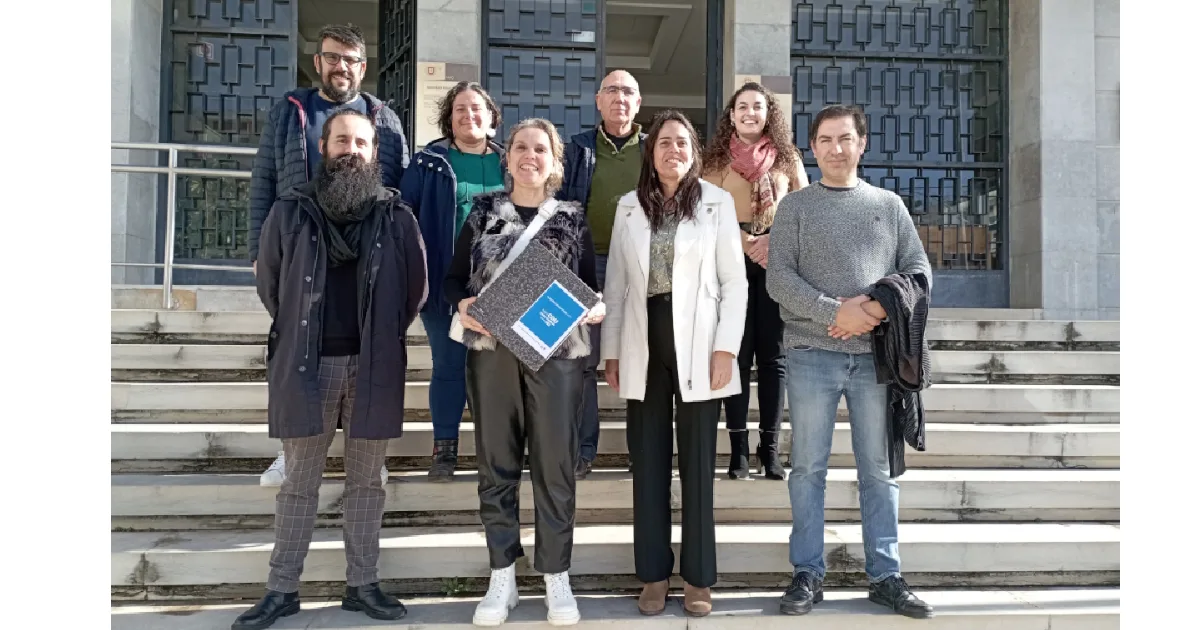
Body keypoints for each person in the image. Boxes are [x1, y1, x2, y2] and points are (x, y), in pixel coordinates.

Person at [234, 110, 427, 630]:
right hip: (306, 366)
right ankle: (282, 590)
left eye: (361, 142)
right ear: (324, 147)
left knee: (367, 484)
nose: (351, 149)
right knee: (299, 483)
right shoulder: (290, 212)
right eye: (342, 139)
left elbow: (414, 292)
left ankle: (362, 585)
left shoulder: (396, 216)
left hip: (373, 367)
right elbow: (272, 287)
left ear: (374, 152)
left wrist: (380, 336)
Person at [765, 104, 934, 619]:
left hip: (875, 361)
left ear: (862, 143)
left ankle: (886, 575)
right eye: (825, 140)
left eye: (845, 139)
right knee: (807, 468)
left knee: (878, 472)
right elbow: (780, 280)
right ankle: (807, 572)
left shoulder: (888, 204)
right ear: (811, 149)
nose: (836, 149)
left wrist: (877, 310)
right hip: (811, 354)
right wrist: (835, 312)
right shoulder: (794, 207)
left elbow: (920, 270)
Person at [443, 118, 604, 627]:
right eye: (520, 147)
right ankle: (502, 576)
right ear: (506, 156)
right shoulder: (484, 211)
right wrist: (463, 303)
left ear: (555, 162)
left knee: (555, 467)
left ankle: (556, 576)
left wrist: (594, 308)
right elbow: (452, 281)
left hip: (555, 359)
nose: (529, 155)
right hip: (491, 355)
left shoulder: (573, 218)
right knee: (496, 464)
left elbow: (590, 288)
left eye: (540, 149)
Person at [600, 110, 748, 618]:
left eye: (683, 142)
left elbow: (735, 281)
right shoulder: (628, 208)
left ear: (695, 151)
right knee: (649, 465)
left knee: (699, 466)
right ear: (651, 150)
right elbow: (615, 287)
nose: (674, 150)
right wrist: (612, 352)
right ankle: (654, 575)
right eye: (664, 142)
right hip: (644, 343)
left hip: (700, 345)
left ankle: (699, 579)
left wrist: (727, 348)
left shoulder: (716, 203)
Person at [248, 23, 410, 487]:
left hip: (366, 257)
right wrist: (260, 249)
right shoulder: (290, 112)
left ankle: (368, 454)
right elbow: (263, 181)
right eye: (333, 57)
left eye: (352, 59)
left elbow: (395, 188)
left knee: (368, 355)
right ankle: (291, 451)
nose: (342, 66)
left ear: (363, 67)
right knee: (295, 354)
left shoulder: (383, 118)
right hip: (302, 249)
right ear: (318, 62)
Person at [702, 82, 809, 480]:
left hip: (776, 264)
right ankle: (739, 451)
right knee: (737, 355)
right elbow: (702, 213)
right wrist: (742, 240)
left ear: (769, 114)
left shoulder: (786, 159)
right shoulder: (713, 162)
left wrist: (771, 241)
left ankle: (770, 449)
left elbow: (805, 211)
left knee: (773, 359)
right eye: (742, 107)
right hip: (729, 266)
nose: (750, 113)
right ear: (731, 114)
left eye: (758, 107)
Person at [400, 81, 505, 481]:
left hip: (500, 287)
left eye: (476, 108)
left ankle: (492, 451)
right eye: (460, 109)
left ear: (492, 118)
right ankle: (444, 451)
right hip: (446, 285)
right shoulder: (428, 162)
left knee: (494, 375)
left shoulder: (510, 161)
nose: (469, 115)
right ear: (449, 118)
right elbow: (404, 217)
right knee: (448, 366)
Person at [559, 70, 647, 479]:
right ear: (598, 100)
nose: (620, 99)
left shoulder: (652, 148)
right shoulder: (577, 148)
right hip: (586, 263)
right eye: (612, 91)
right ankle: (583, 449)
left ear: (638, 102)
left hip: (641, 265)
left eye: (628, 91)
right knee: (582, 359)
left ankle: (643, 451)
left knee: (642, 357)